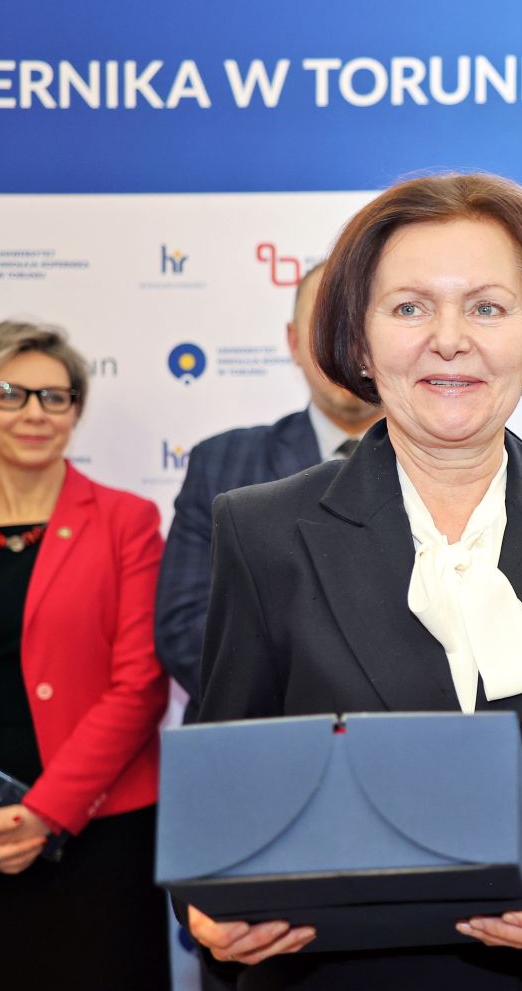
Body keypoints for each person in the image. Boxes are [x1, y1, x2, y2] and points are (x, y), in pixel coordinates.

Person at [184, 172, 522, 989]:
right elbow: (220, 790)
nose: (449, 339)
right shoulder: (263, 532)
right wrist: (209, 901)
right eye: (410, 307)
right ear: (359, 342)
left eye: (487, 307)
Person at [0, 321, 172, 988]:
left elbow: (141, 685)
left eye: (55, 396)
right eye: (10, 394)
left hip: (101, 833)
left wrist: (45, 812)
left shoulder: (128, 522)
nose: (35, 412)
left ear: (74, 411)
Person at [156, 261, 382, 718]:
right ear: (294, 343)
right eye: (327, 328)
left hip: (408, 738)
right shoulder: (222, 463)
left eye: (361, 327)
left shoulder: (448, 466)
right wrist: (309, 717)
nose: (346, 347)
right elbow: (185, 627)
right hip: (263, 737)